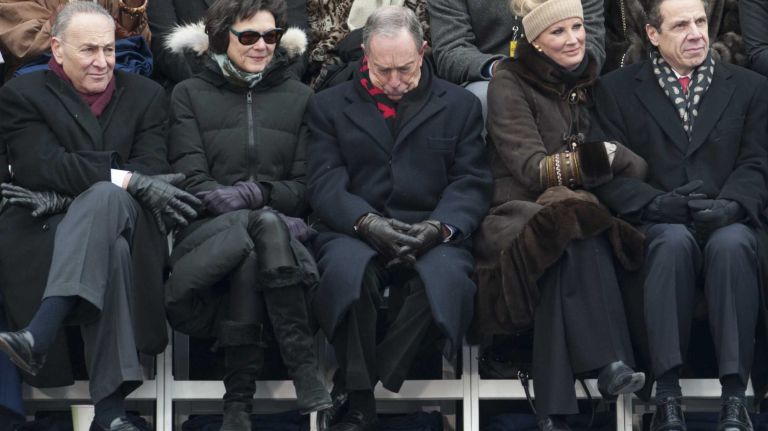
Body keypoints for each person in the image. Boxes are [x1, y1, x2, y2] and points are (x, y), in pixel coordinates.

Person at [0, 2, 199, 430]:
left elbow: (150, 167)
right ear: (56, 48)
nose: (103, 61)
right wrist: (126, 179)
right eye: (89, 50)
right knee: (112, 249)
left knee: (108, 199)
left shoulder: (146, 95)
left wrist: (84, 189)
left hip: (126, 218)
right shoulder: (21, 95)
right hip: (43, 235)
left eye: (109, 49)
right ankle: (109, 414)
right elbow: (41, 166)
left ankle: (40, 332)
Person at [307, 6, 492, 431]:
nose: (393, 82)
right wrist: (367, 223)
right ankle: (359, 405)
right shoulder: (328, 106)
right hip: (355, 227)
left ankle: (364, 382)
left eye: (404, 70)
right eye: (381, 70)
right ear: (365, 58)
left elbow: (472, 182)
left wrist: (438, 227)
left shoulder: (460, 105)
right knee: (348, 272)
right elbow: (324, 183)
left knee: (444, 278)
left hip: (432, 226)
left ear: (424, 52)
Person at [591, 0, 768, 428]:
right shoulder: (614, 89)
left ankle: (734, 398)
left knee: (734, 245)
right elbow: (604, 169)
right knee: (669, 243)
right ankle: (666, 395)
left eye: (701, 22)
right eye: (681, 25)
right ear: (653, 35)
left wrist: (733, 204)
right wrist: (649, 202)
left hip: (729, 218)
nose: (696, 33)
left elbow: (757, 161)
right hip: (658, 222)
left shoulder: (749, 87)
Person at [472, 0, 648, 429]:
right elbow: (532, 170)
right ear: (534, 40)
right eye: (558, 32)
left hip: (571, 214)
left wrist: (612, 155)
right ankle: (609, 362)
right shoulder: (508, 83)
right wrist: (603, 156)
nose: (573, 39)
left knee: (573, 230)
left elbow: (638, 166)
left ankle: (556, 413)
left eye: (577, 27)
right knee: (571, 225)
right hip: (511, 213)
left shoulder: (595, 83)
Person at [163, 0, 331, 428]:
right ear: (222, 37)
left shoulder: (300, 97)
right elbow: (194, 184)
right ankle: (304, 370)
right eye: (249, 36)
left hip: (283, 249)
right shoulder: (187, 94)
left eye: (271, 36)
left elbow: (304, 187)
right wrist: (261, 202)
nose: (262, 46)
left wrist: (254, 194)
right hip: (205, 240)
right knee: (263, 225)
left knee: (257, 244)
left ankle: (238, 402)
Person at [427, 0, 604, 119]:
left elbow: (593, 42)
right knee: (481, 97)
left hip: (567, 71)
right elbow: (451, 50)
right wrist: (503, 68)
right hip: (492, 76)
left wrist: (553, 71)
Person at [147, 0, 309, 89]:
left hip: (274, 93)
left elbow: (297, 48)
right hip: (199, 95)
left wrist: (269, 89)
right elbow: (166, 49)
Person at [0, 0, 151, 80]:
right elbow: (25, 43)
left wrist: (131, 6)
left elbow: (139, 44)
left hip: (112, 74)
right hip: (43, 79)